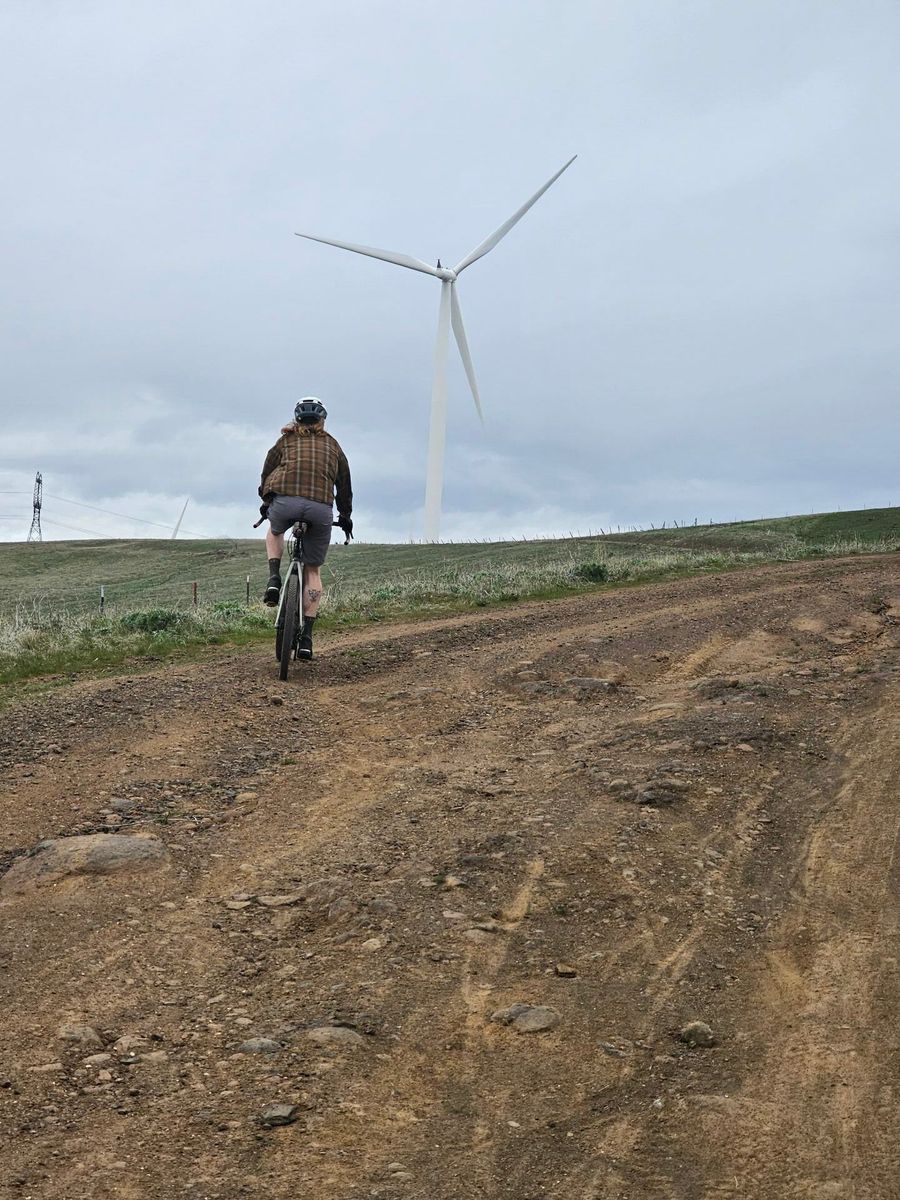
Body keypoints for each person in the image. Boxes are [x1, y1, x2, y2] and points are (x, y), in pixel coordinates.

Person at [258, 397, 353, 660]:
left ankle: (274, 578)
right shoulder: (333, 445)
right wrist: (345, 515)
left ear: (297, 419)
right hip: (320, 509)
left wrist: (266, 499)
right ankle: (307, 638)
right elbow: (344, 484)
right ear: (322, 420)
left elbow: (268, 469)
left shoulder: (285, 440)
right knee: (313, 569)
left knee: (275, 531)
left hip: (285, 503)